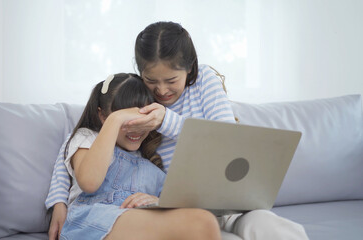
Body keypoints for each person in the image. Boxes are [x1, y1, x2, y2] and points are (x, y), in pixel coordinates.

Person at [46, 21, 308, 239]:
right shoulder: (138, 102)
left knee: (266, 225)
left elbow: (227, 141)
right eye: (151, 81)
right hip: (174, 205)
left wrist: (165, 121)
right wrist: (58, 201)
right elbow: (80, 142)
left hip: (222, 200)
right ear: (141, 74)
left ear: (190, 68)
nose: (161, 91)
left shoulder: (202, 82)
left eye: (171, 80)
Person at [59, 73, 222, 240]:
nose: (136, 128)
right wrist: (115, 119)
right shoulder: (87, 138)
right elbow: (89, 182)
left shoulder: (151, 156)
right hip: (92, 220)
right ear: (103, 116)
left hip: (135, 217)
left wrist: (156, 202)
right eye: (127, 119)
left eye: (141, 118)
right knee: (202, 223)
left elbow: (174, 201)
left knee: (203, 221)